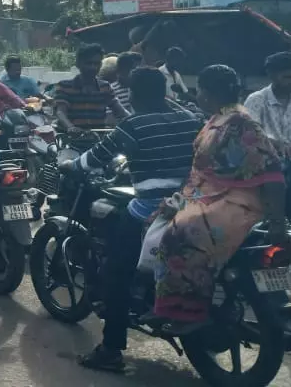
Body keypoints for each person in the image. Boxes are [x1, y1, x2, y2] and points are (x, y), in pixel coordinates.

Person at [71, 68, 201, 373]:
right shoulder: (190, 119)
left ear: (135, 95)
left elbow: (95, 158)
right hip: (194, 204)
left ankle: (110, 349)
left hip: (153, 207)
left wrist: (72, 165)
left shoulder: (133, 124)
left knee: (116, 272)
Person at [153, 65, 289, 332]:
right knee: (154, 221)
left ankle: (188, 310)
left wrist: (277, 221)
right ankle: (163, 301)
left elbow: (272, 172)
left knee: (180, 232)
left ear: (207, 93)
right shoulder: (219, 118)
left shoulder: (240, 122)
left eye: (200, 91)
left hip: (235, 201)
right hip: (206, 195)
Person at [244, 51, 291, 161]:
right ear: (271, 75)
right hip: (266, 164)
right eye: (288, 77)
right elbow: (250, 134)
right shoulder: (256, 100)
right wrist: (279, 144)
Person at [54, 43, 130, 133]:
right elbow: (60, 112)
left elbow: (120, 111)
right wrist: (70, 127)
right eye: (88, 63)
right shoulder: (64, 86)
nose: (93, 67)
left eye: (97, 63)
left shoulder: (105, 87)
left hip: (98, 137)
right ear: (78, 64)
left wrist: (134, 120)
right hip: (71, 138)